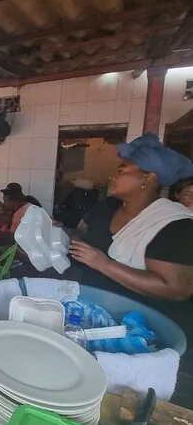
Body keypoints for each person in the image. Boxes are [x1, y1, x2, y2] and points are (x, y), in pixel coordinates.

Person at [69, 134, 193, 402]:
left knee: (114, 396)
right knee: (78, 377)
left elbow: (175, 289)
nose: (113, 176)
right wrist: (65, 238)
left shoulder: (174, 225)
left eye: (122, 170)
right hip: (92, 312)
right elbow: (81, 233)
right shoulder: (107, 206)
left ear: (148, 178)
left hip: (138, 328)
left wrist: (103, 264)